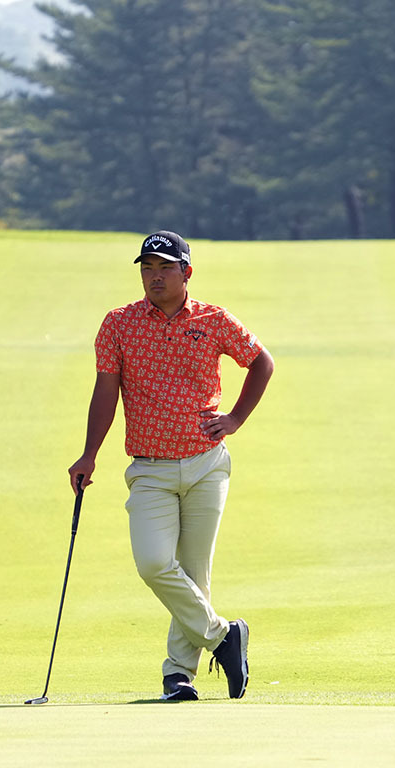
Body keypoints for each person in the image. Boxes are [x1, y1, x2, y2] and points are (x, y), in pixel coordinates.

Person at [67, 230, 274, 702]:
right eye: (146, 268)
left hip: (206, 464)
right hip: (150, 468)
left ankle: (178, 674)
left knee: (194, 572)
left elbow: (261, 362)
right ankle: (225, 636)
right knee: (155, 562)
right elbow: (106, 391)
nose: (154, 277)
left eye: (164, 268)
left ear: (186, 272)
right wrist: (89, 453)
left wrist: (236, 418)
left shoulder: (213, 319)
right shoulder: (119, 324)